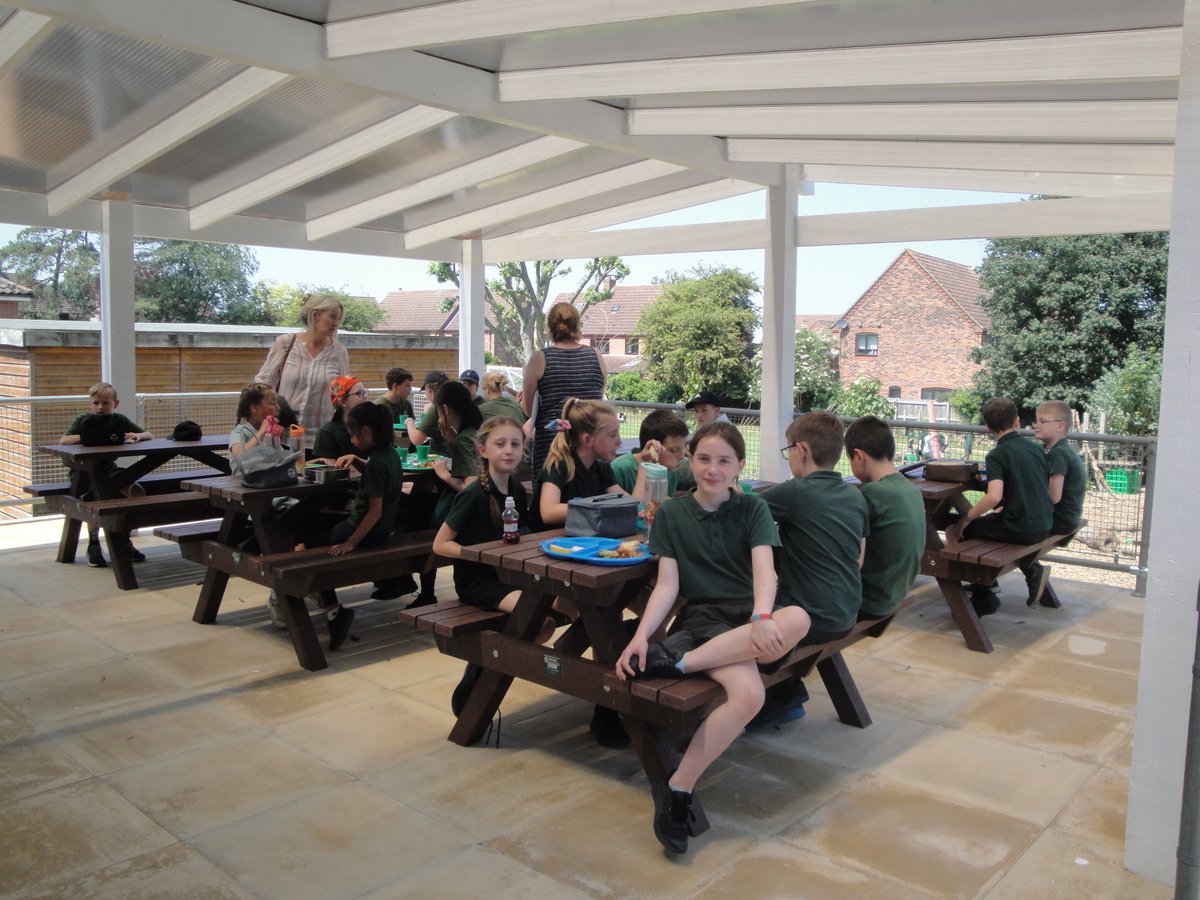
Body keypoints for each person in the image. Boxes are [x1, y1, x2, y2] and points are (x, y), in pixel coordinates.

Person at [615, 422, 811, 855]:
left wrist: (762, 615)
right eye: (704, 459)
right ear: (689, 458)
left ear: (740, 465)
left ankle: (682, 663)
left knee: (797, 617)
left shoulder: (753, 509)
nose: (713, 470)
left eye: (724, 461)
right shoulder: (671, 513)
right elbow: (667, 587)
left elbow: (766, 571)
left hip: (751, 615)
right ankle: (678, 792)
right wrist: (641, 638)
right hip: (708, 621)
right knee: (748, 697)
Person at [750, 412, 869, 730]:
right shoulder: (854, 495)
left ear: (801, 450)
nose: (789, 459)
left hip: (814, 620)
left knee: (736, 619)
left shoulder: (796, 492)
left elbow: (743, 510)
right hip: (847, 612)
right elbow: (858, 558)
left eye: (789, 451)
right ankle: (786, 692)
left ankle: (776, 698)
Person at [433, 417, 558, 714]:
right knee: (538, 618)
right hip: (478, 582)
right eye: (500, 444)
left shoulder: (516, 490)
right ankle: (487, 668)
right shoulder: (473, 495)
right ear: (483, 450)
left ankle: (488, 662)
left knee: (552, 615)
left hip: (509, 575)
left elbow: (522, 532)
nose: (509, 451)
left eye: (515, 444)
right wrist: (479, 554)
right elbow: (440, 544)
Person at [296, 403, 405, 651]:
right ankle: (329, 607)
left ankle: (334, 611)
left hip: (368, 532)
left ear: (366, 432)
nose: (352, 440)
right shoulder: (389, 454)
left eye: (353, 434)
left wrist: (350, 543)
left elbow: (374, 511)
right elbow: (380, 476)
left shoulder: (376, 464)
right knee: (312, 527)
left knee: (312, 542)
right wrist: (357, 460)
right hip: (383, 529)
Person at [945, 397, 1053, 616]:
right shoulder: (1035, 449)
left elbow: (994, 497)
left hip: (1020, 527)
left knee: (957, 530)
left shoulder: (997, 454)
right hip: (1044, 523)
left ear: (988, 427)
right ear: (1017, 421)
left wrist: (967, 518)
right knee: (984, 525)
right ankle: (992, 580)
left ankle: (983, 592)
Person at [60, 381, 154, 568]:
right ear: (90, 404)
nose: (100, 407)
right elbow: (64, 441)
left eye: (105, 403)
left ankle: (124, 539)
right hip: (83, 473)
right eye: (96, 403)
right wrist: (90, 436)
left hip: (109, 469)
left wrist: (138, 436)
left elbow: (149, 434)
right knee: (97, 497)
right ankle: (94, 543)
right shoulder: (84, 421)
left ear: (115, 404)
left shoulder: (119, 420)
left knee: (136, 492)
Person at [845, 415, 926, 620]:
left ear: (859, 456)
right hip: (895, 592)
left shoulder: (871, 494)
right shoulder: (910, 488)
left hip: (869, 600)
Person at [254, 292, 349, 450]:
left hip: (321, 443)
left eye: (339, 318)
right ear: (315, 315)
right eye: (332, 317)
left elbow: (342, 396)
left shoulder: (339, 352)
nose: (336, 323)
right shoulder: (285, 344)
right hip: (282, 439)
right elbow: (262, 384)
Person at [523, 302, 607, 473]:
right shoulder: (595, 355)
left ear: (550, 327)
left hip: (552, 446)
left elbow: (528, 409)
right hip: (588, 443)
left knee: (548, 496)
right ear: (577, 325)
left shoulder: (540, 358)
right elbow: (599, 394)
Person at [1023, 400, 1087, 605]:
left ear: (1060, 425)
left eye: (1042, 421)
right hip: (1068, 517)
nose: (1037, 425)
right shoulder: (1064, 449)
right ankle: (989, 584)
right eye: (1036, 421)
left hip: (1060, 520)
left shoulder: (1058, 453)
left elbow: (1054, 497)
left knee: (1009, 526)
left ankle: (1032, 570)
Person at [610, 409, 688, 497]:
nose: (682, 455)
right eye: (674, 450)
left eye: (683, 447)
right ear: (653, 448)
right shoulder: (620, 469)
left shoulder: (671, 469)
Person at [312, 375, 370, 464]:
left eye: (365, 392)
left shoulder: (369, 427)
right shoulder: (327, 433)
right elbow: (329, 470)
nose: (365, 397)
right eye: (359, 393)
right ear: (342, 401)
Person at [407, 370, 449, 449]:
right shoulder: (453, 403)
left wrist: (409, 422)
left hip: (441, 456)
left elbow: (417, 440)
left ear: (429, 389)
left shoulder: (435, 408)